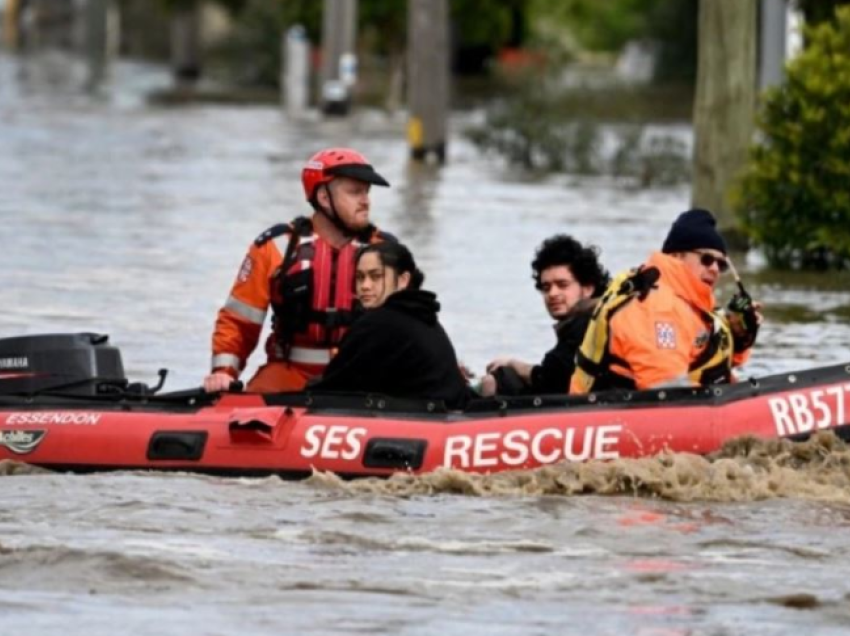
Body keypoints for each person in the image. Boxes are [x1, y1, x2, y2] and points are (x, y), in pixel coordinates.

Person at [203, 148, 393, 393]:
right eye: (355, 192)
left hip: (361, 375)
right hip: (289, 373)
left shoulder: (386, 251)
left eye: (366, 192)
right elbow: (239, 321)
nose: (366, 201)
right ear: (324, 197)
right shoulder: (276, 247)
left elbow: (415, 323)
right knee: (244, 415)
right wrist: (223, 373)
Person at [571, 208, 761, 394]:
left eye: (721, 264)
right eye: (707, 259)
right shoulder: (658, 308)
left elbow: (707, 357)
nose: (714, 269)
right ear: (676, 256)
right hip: (615, 414)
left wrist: (740, 337)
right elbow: (666, 391)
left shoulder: (689, 304)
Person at [310, 242, 473, 409]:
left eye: (376, 276)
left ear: (403, 280)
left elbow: (333, 389)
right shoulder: (424, 317)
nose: (365, 286)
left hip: (425, 421)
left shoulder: (377, 324)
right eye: (360, 277)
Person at [480, 235, 609, 396]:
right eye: (546, 287)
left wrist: (513, 364)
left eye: (562, 285)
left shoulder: (587, 325)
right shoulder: (593, 318)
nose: (552, 294)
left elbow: (551, 378)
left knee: (498, 379)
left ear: (588, 288)